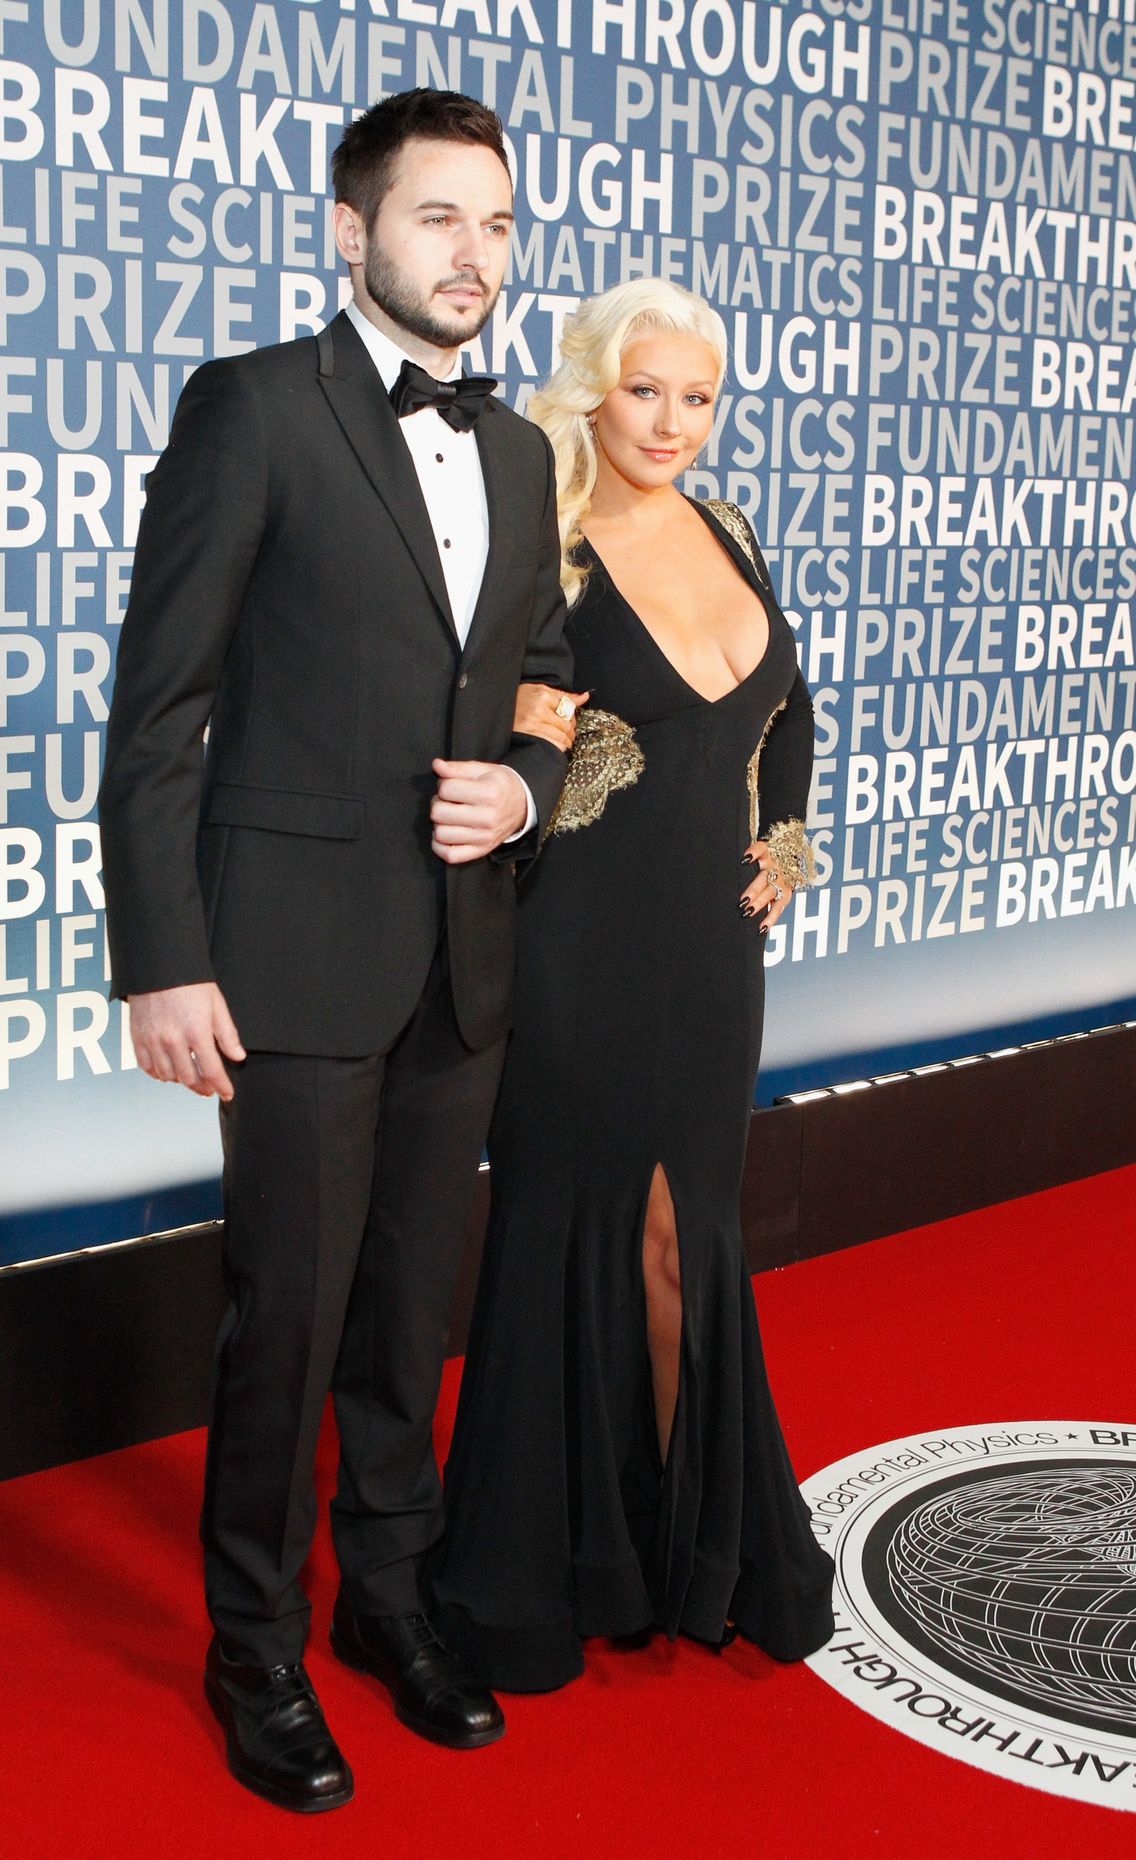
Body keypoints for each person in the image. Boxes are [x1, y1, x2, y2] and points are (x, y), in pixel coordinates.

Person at [98, 89, 574, 1813]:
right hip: (286, 957)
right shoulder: (252, 409)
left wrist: (519, 796)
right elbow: (159, 714)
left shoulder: (522, 452)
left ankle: (388, 1598)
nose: (475, 253)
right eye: (439, 217)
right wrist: (162, 959)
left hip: (462, 958)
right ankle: (255, 1647)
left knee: (402, 1315)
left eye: (500, 222)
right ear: (349, 229)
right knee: (283, 1322)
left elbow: (550, 686)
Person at [429, 277, 836, 1692]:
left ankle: (685, 1546)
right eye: (645, 390)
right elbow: (480, 722)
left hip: (714, 960)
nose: (672, 423)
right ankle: (557, 1557)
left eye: (699, 397)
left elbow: (787, 709)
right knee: (592, 1231)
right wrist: (550, 746)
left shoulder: (725, 530)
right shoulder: (545, 537)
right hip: (579, 946)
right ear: (591, 387)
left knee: (689, 1239)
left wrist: (783, 839)